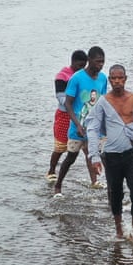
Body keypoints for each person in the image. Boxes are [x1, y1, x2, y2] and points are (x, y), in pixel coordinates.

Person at [87, 64, 133, 243]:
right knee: (115, 194)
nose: (117, 81)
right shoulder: (103, 102)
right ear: (109, 80)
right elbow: (93, 128)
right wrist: (94, 156)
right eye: (113, 78)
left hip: (131, 154)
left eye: (120, 78)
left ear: (125, 78)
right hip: (111, 156)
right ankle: (118, 228)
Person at [54, 45, 108, 197]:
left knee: (94, 154)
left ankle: (94, 182)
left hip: (94, 127)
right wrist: (77, 124)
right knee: (71, 157)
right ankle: (58, 185)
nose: (101, 65)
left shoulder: (103, 78)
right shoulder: (76, 78)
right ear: (89, 60)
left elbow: (102, 101)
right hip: (78, 127)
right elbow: (68, 103)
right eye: (98, 61)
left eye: (103, 62)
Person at [48, 49, 89, 181]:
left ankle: (94, 179)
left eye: (84, 66)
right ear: (72, 62)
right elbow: (60, 97)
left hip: (81, 115)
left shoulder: (84, 76)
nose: (81, 69)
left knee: (87, 147)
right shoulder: (62, 76)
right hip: (65, 115)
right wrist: (72, 103)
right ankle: (51, 171)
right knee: (60, 146)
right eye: (79, 66)